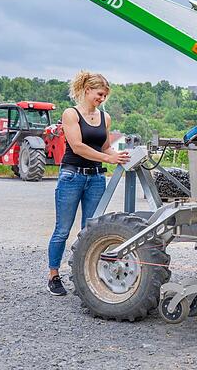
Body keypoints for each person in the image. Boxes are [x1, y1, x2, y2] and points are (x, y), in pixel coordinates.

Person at [47, 71, 130, 296]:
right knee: (62, 230)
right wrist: (108, 158)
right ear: (87, 90)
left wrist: (120, 156)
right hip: (72, 176)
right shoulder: (71, 114)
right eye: (99, 94)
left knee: (90, 231)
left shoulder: (105, 118)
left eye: (105, 96)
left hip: (95, 178)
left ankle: (83, 277)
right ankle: (54, 275)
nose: (102, 99)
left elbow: (105, 148)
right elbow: (77, 146)